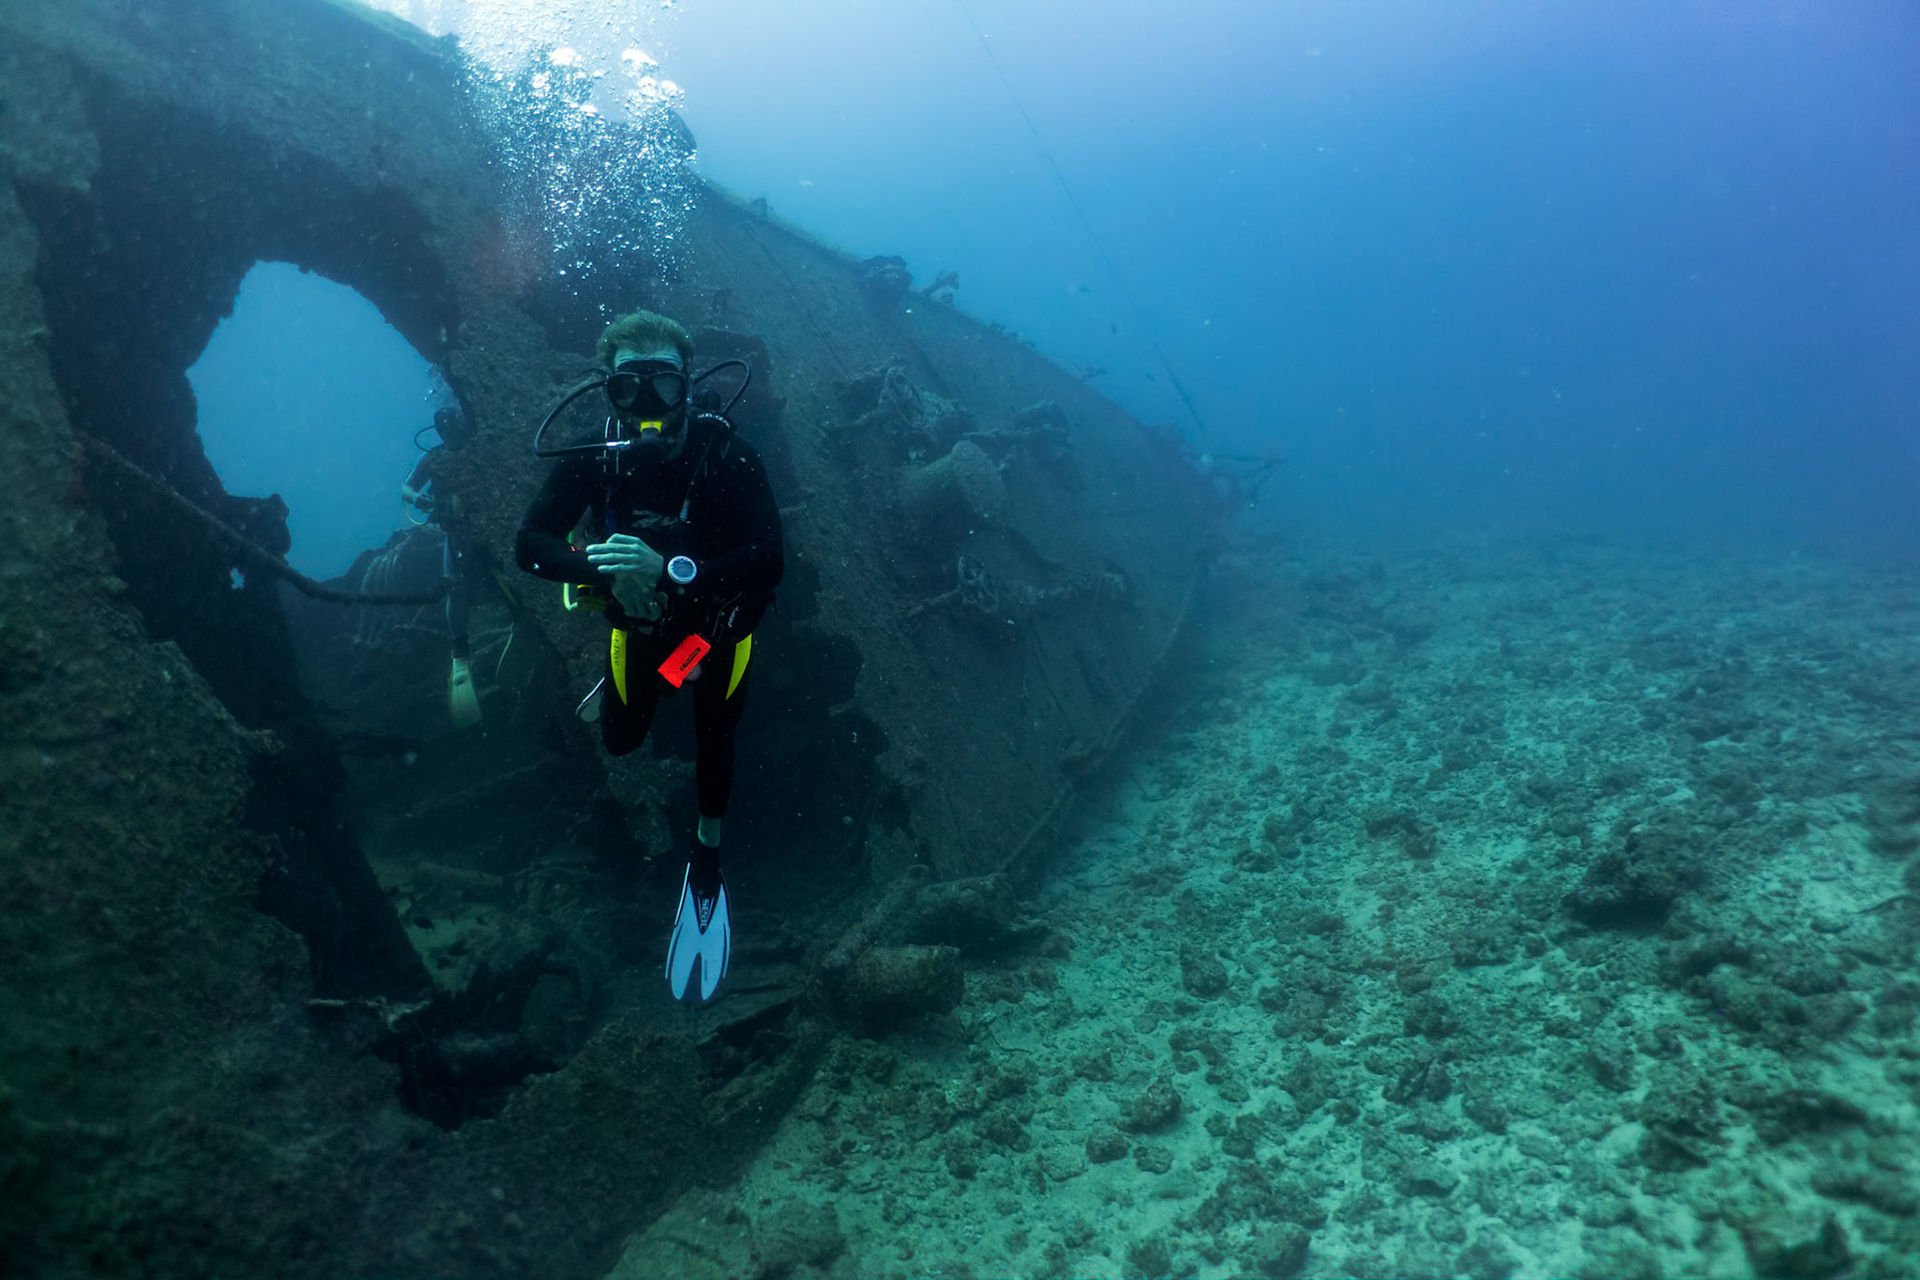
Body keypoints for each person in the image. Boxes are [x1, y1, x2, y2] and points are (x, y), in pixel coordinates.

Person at [516, 310, 783, 1002]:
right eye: (627, 388)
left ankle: (708, 858)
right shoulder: (592, 456)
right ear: (609, 391)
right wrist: (598, 570)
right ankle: (619, 689)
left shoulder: (727, 454)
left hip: (718, 629)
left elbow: (768, 558)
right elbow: (530, 544)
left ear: (687, 384)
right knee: (623, 740)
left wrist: (671, 568)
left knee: (714, 739)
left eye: (663, 385)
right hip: (640, 629)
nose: (647, 407)